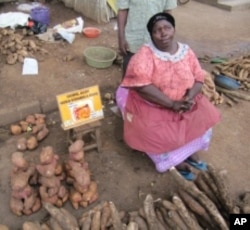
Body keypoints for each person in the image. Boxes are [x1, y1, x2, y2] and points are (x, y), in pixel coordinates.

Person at [116, 12, 221, 180]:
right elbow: (142, 86)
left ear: (174, 29)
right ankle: (174, 159)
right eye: (157, 30)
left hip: (186, 102)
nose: (163, 33)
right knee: (156, 133)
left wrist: (190, 97)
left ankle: (189, 152)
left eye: (167, 28)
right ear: (151, 35)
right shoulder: (144, 55)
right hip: (155, 105)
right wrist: (172, 104)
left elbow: (199, 78)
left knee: (201, 119)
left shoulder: (186, 51)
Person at [117, 0, 177, 75]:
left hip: (155, 40)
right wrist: (121, 37)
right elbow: (122, 10)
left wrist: (167, 37)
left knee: (151, 75)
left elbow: (167, 12)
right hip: (132, 39)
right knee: (128, 74)